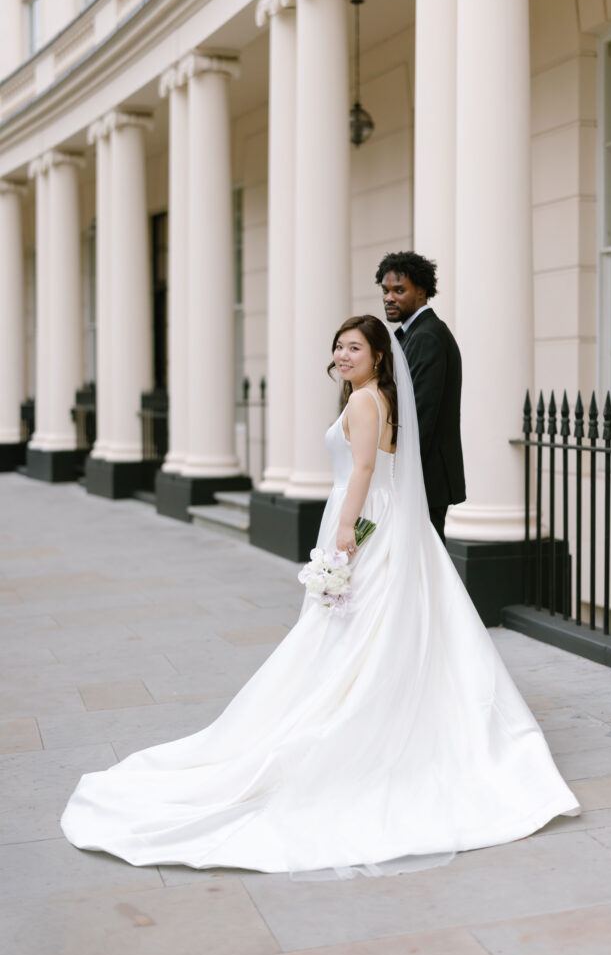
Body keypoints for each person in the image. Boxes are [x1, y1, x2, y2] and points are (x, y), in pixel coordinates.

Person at [60, 314, 580, 878]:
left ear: (379, 355)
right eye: (337, 346)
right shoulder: (381, 398)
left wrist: (343, 535)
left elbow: (360, 469)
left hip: (362, 520)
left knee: (350, 629)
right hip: (386, 520)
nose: (342, 354)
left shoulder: (362, 403)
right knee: (380, 627)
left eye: (354, 347)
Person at [376, 251, 465, 543]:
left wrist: (396, 474)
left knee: (425, 567)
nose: (389, 298)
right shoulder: (413, 333)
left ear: (422, 292)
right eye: (385, 290)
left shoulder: (427, 336)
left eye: (399, 290)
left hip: (424, 477)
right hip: (419, 474)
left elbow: (419, 416)